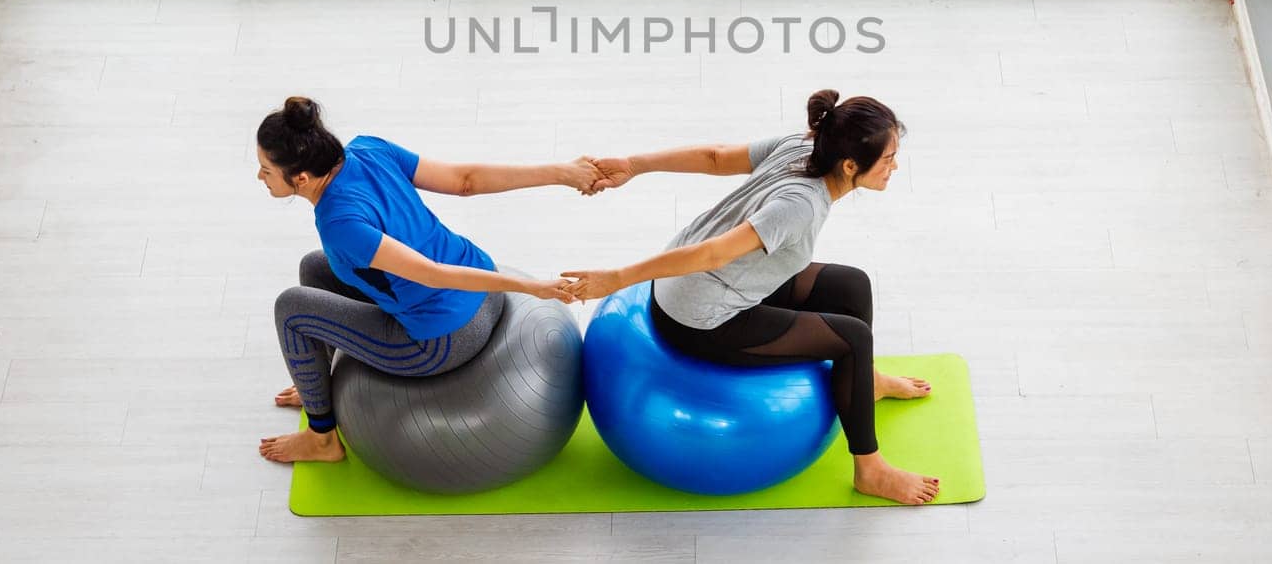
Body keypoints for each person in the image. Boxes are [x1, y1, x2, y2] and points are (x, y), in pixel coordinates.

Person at [564, 89, 940, 505]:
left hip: (712, 283)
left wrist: (634, 165)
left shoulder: (806, 145)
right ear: (850, 165)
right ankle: (870, 469)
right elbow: (714, 252)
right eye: (887, 159)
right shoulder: (801, 205)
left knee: (852, 285)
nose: (895, 167)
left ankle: (864, 383)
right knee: (852, 338)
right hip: (702, 318)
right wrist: (615, 278)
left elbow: (716, 157)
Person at [255, 95, 595, 464]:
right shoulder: (368, 149)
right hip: (483, 288)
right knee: (314, 268)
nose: (260, 177)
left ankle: (322, 439)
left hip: (442, 340)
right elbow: (465, 181)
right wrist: (563, 172)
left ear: (300, 178)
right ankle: (315, 386)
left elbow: (432, 275)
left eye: (266, 170)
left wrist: (535, 288)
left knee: (290, 308)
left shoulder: (341, 223)